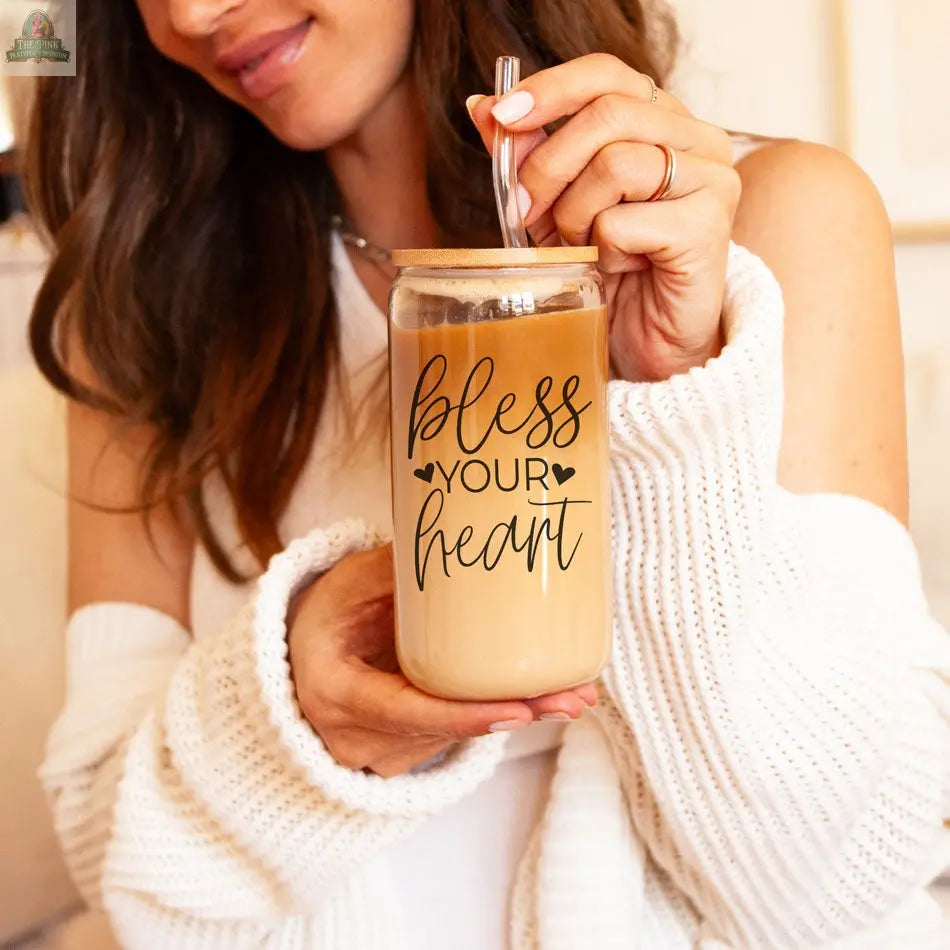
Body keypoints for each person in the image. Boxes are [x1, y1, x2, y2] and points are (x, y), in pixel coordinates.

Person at [26, 1, 950, 947]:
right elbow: (116, 866)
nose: (194, 11)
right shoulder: (140, 308)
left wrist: (667, 411)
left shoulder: (771, 224)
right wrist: (288, 729)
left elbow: (833, 892)